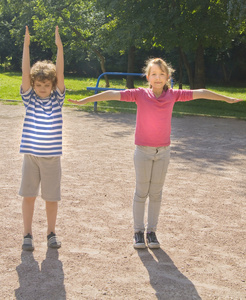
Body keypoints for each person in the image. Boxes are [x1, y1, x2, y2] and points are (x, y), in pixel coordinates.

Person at [68, 58, 242, 249]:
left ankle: (152, 232)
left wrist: (226, 98)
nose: (157, 78)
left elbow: (201, 93)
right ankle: (138, 232)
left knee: (156, 193)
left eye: (161, 74)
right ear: (148, 77)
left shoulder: (174, 95)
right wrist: (85, 100)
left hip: (163, 152)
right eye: (153, 74)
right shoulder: (139, 94)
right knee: (141, 192)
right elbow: (111, 93)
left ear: (167, 76)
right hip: (143, 151)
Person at [19, 25, 65, 251]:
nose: (43, 88)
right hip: (31, 157)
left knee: (51, 198)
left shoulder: (57, 99)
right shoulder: (30, 99)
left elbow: (61, 73)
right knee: (28, 196)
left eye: (47, 85)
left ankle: (51, 232)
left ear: (53, 85)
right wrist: (26, 46)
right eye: (39, 85)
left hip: (51, 158)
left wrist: (59, 48)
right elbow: (25, 74)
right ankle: (27, 233)